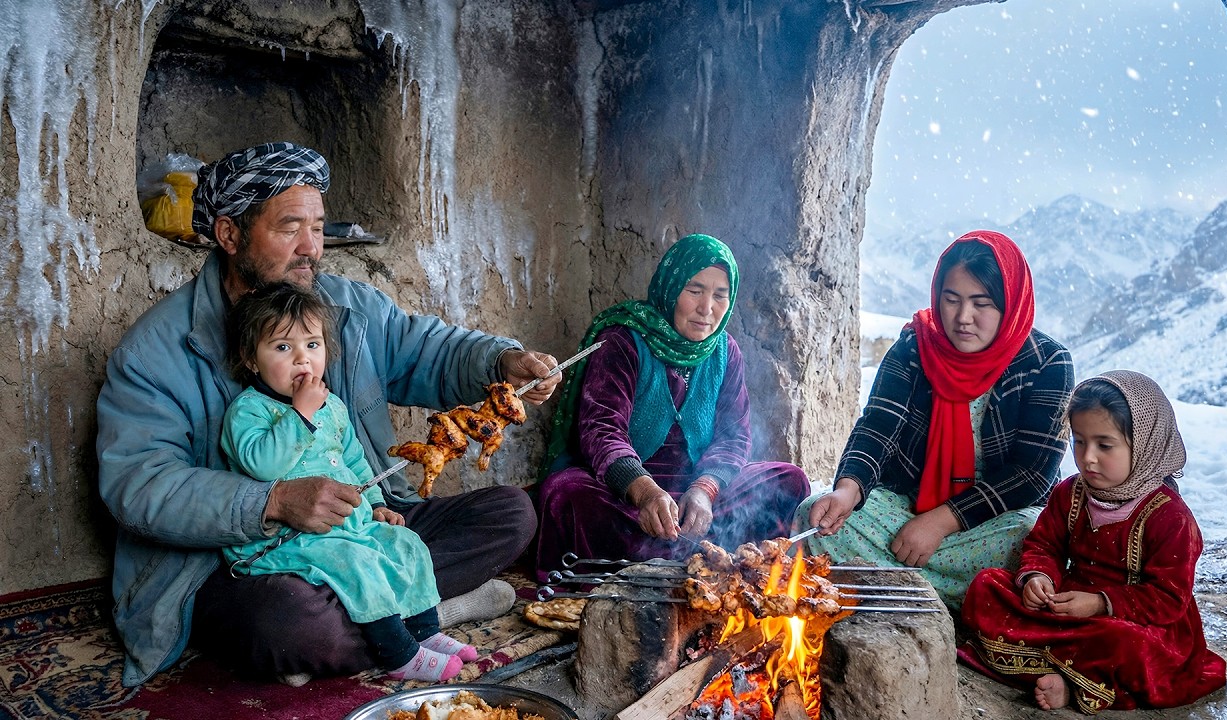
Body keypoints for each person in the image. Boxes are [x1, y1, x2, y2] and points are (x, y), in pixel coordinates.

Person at [96, 142, 561, 687]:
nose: (310, 249)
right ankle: (422, 615)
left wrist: (500, 361)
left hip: (354, 527)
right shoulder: (157, 351)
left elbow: (423, 349)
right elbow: (139, 486)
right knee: (287, 623)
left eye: (317, 228)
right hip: (241, 560)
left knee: (512, 513)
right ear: (229, 234)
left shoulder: (345, 308)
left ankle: (384, 619)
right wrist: (273, 501)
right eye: (289, 227)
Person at [796, 230, 1075, 610]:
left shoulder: (1047, 363)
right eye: (952, 299)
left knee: (1029, 538)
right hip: (911, 506)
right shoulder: (915, 347)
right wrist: (849, 489)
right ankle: (973, 598)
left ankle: (881, 585)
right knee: (815, 520)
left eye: (982, 303)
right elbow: (879, 427)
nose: (963, 318)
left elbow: (1031, 473)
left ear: (1010, 304)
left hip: (996, 520)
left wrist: (941, 523)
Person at [222, 283, 476, 682]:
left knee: (406, 544)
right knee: (358, 565)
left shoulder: (333, 405)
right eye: (283, 348)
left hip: (352, 526)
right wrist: (301, 415)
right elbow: (262, 464)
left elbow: (357, 463)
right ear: (250, 359)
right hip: (288, 539)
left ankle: (426, 631)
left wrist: (376, 505)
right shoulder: (248, 411)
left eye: (312, 344)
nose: (303, 359)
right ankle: (397, 654)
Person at [533, 233, 810, 580]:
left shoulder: (725, 351)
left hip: (696, 500)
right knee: (564, 493)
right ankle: (688, 561)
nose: (707, 309)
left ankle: (695, 559)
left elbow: (734, 437)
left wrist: (705, 489)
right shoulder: (623, 341)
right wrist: (645, 493)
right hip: (627, 495)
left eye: (720, 295)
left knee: (788, 480)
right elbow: (601, 429)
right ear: (671, 286)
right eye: (694, 290)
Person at [959, 371, 1227, 713]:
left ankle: (1070, 685)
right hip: (1067, 606)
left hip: (1133, 623)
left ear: (1145, 443)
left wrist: (1101, 603)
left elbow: (1168, 599)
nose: (1087, 458)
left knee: (1125, 645)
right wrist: (1038, 577)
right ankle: (1066, 670)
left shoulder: (1170, 518)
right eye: (1079, 441)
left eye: (1105, 445)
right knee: (986, 586)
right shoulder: (1071, 492)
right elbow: (1044, 545)